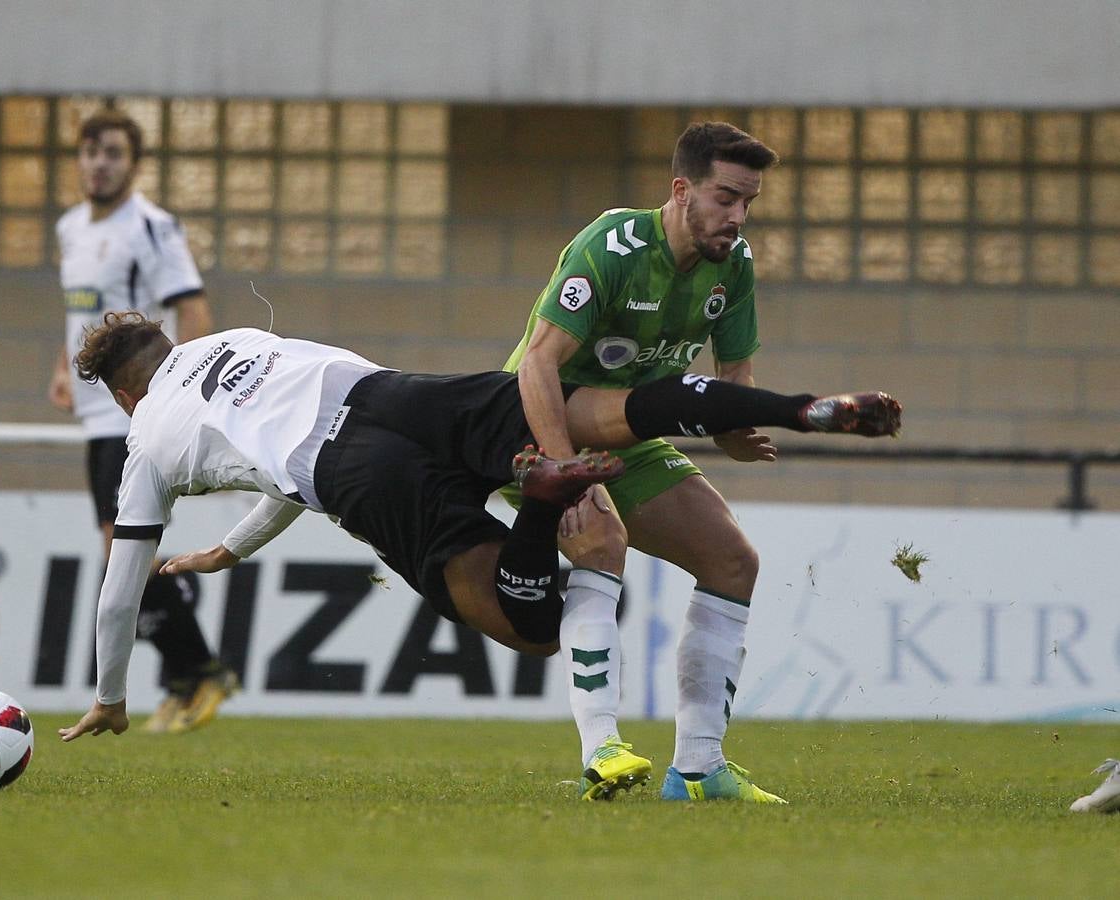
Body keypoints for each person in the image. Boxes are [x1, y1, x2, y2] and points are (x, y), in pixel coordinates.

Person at [58, 311, 901, 792]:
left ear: (128, 393)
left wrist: (111, 696)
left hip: (358, 469)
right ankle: (797, 407)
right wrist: (232, 553)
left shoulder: (146, 444)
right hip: (405, 396)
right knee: (598, 414)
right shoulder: (237, 341)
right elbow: (279, 456)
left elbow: (120, 591)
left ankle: (539, 511)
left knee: (527, 621)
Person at [504, 121, 817, 803]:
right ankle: (602, 748)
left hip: (626, 437)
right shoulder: (613, 245)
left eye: (748, 204)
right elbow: (537, 363)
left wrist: (734, 430)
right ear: (682, 190)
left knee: (734, 560)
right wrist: (561, 471)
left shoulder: (732, 265)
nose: (736, 218)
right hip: (536, 426)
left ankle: (699, 770)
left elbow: (734, 374)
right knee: (603, 539)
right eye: (725, 198)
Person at [46, 110, 236, 734]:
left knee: (121, 546)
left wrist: (191, 387)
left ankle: (201, 670)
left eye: (114, 154)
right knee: (123, 545)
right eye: (92, 152)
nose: (100, 163)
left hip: (132, 411)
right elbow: (85, 312)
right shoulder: (71, 227)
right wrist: (63, 366)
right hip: (96, 413)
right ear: (79, 158)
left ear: (133, 164)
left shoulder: (151, 228)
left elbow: (192, 305)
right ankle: (188, 678)